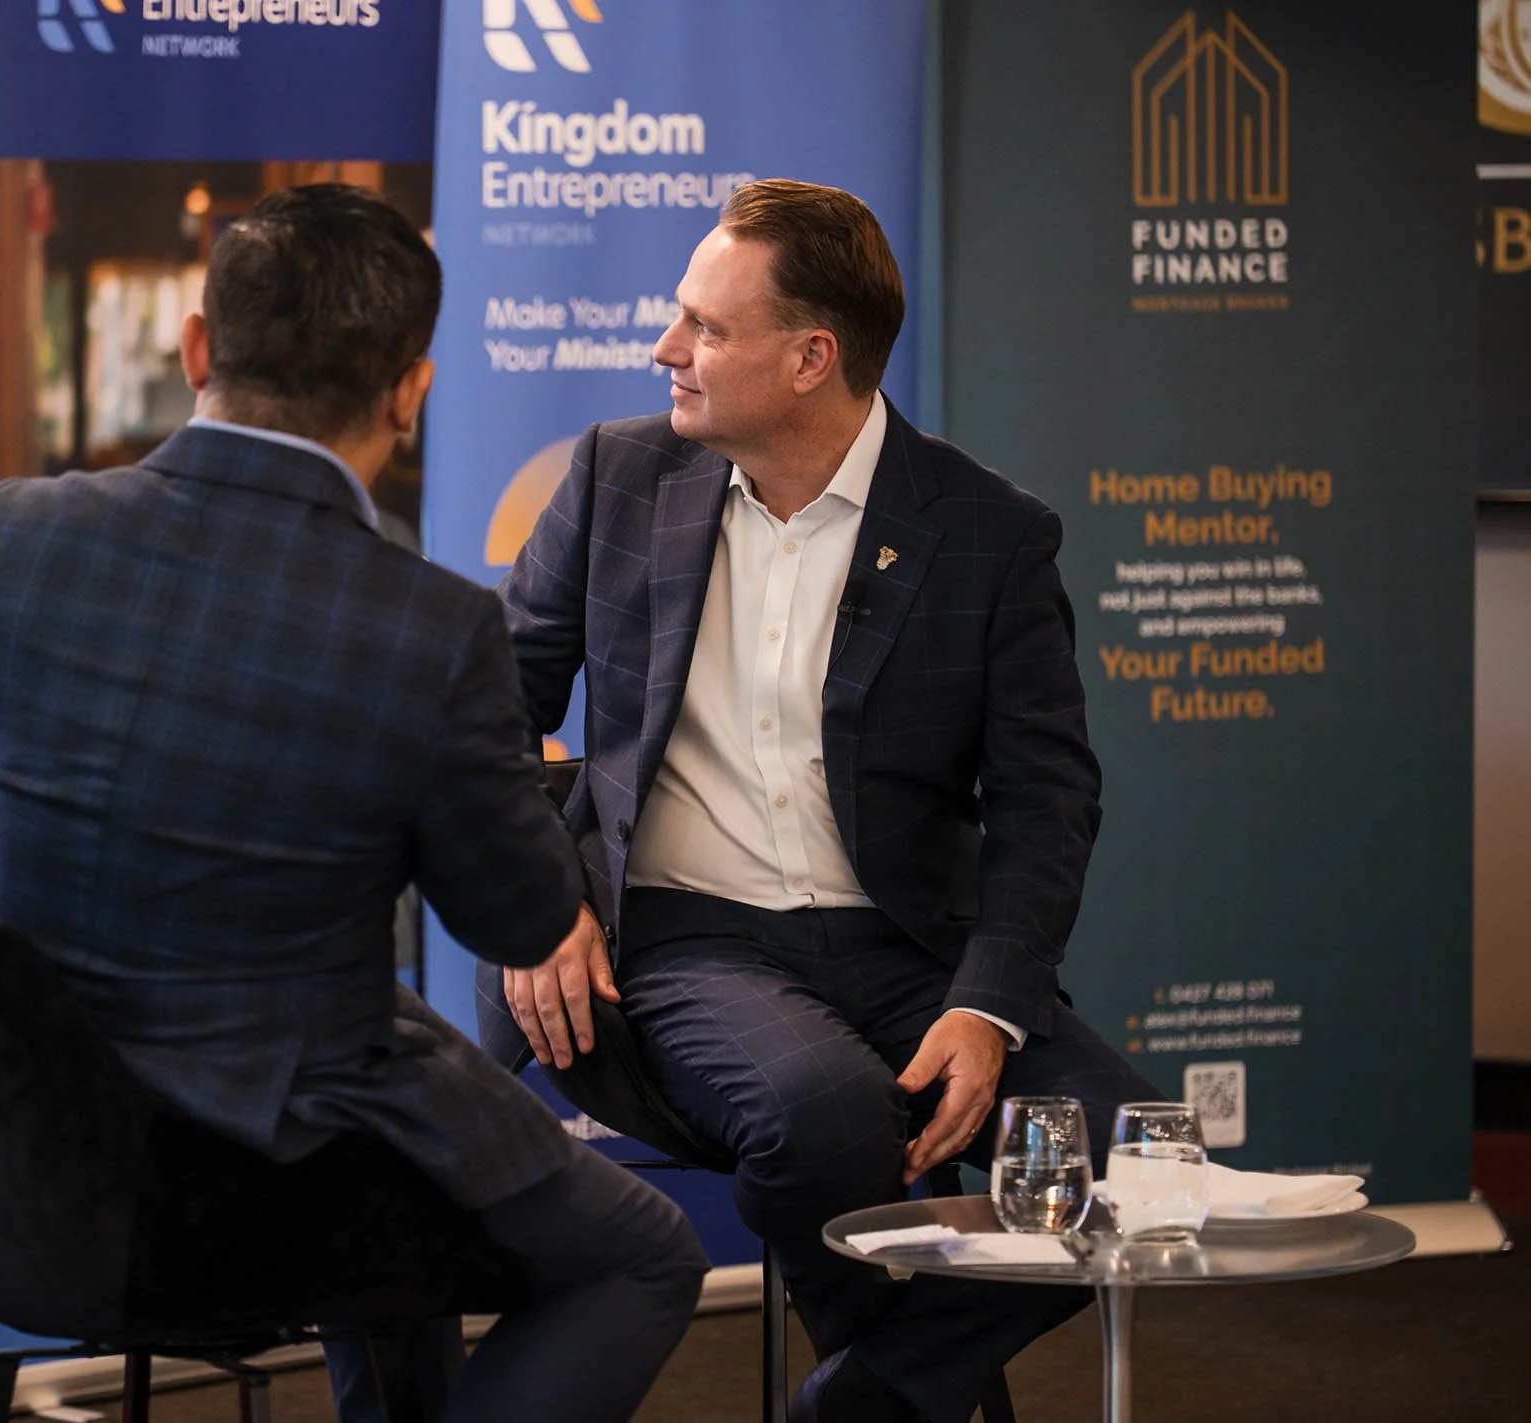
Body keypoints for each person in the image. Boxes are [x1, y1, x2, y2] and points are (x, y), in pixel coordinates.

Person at [0, 183, 706, 1423]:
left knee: (402, 1173)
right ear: (410, 391)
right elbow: (519, 918)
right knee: (645, 1257)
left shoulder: (8, 533)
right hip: (283, 1169)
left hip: (28, 1161)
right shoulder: (431, 629)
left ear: (198, 347)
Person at [483, 179, 1158, 1423]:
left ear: (810, 358)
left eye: (704, 327)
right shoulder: (614, 478)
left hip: (908, 946)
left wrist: (991, 1008)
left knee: (1137, 1155)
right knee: (827, 1116)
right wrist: (535, 904)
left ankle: (859, 1401)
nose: (665, 349)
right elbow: (482, 717)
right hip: (692, 941)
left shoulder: (986, 532)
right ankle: (917, 1398)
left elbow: (1045, 796)